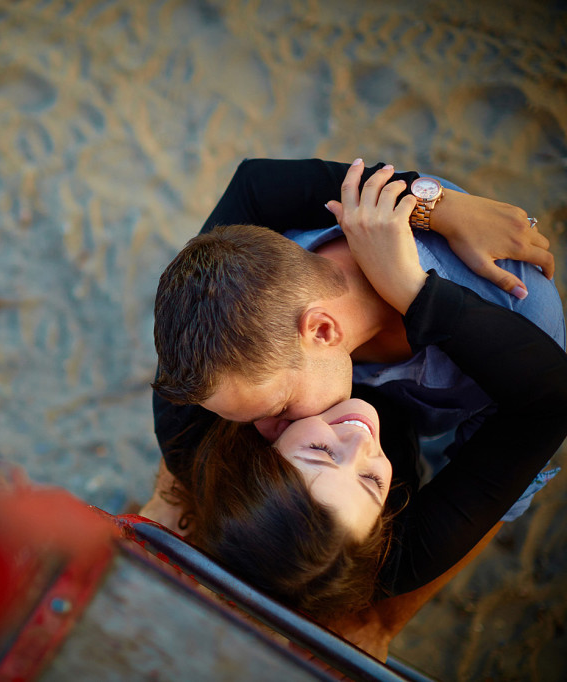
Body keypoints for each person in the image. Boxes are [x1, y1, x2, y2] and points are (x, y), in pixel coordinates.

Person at [172, 168, 567, 630]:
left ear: (258, 460)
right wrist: (415, 287)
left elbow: (250, 188)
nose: (361, 444)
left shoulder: (520, 308)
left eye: (319, 452)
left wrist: (433, 207)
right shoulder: (389, 548)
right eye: (370, 482)